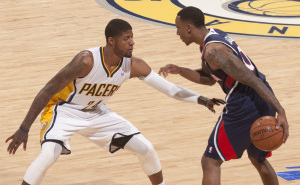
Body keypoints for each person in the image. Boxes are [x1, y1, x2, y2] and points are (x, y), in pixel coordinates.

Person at [6, 18, 225, 185]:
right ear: (112, 41)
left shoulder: (133, 65)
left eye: (132, 37)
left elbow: (169, 89)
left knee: (145, 148)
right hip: (64, 110)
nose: (132, 42)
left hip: (96, 111)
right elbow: (47, 90)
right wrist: (24, 128)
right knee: (49, 154)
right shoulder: (86, 61)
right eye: (126, 38)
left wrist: (201, 99)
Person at [158, 6, 289, 185]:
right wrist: (180, 70)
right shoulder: (212, 38)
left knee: (210, 161)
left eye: (178, 27)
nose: (177, 33)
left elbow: (251, 79)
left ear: (189, 27)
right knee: (258, 159)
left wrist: (281, 111)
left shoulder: (214, 51)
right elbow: (210, 79)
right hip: (260, 98)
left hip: (245, 103)